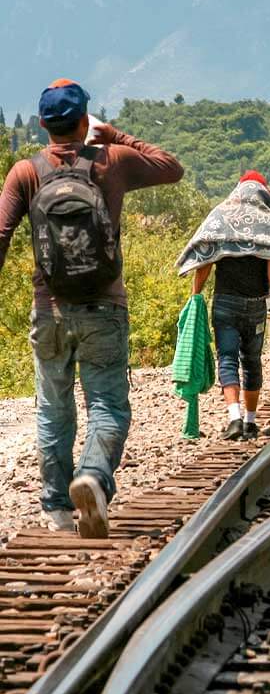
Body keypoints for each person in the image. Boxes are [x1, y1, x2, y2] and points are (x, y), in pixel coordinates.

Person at [0, 79, 183, 536]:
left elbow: (1, 235)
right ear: (86, 120)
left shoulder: (25, 171)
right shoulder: (112, 161)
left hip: (50, 309)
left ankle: (58, 510)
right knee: (107, 404)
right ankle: (94, 477)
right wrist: (117, 136)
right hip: (104, 305)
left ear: (42, 124)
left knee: (53, 409)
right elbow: (172, 167)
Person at [177, 171, 270, 440]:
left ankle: (234, 418)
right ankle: (251, 422)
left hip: (224, 304)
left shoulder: (221, 217)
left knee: (228, 358)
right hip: (255, 306)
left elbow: (206, 261)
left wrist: (195, 297)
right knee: (252, 362)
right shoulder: (269, 222)